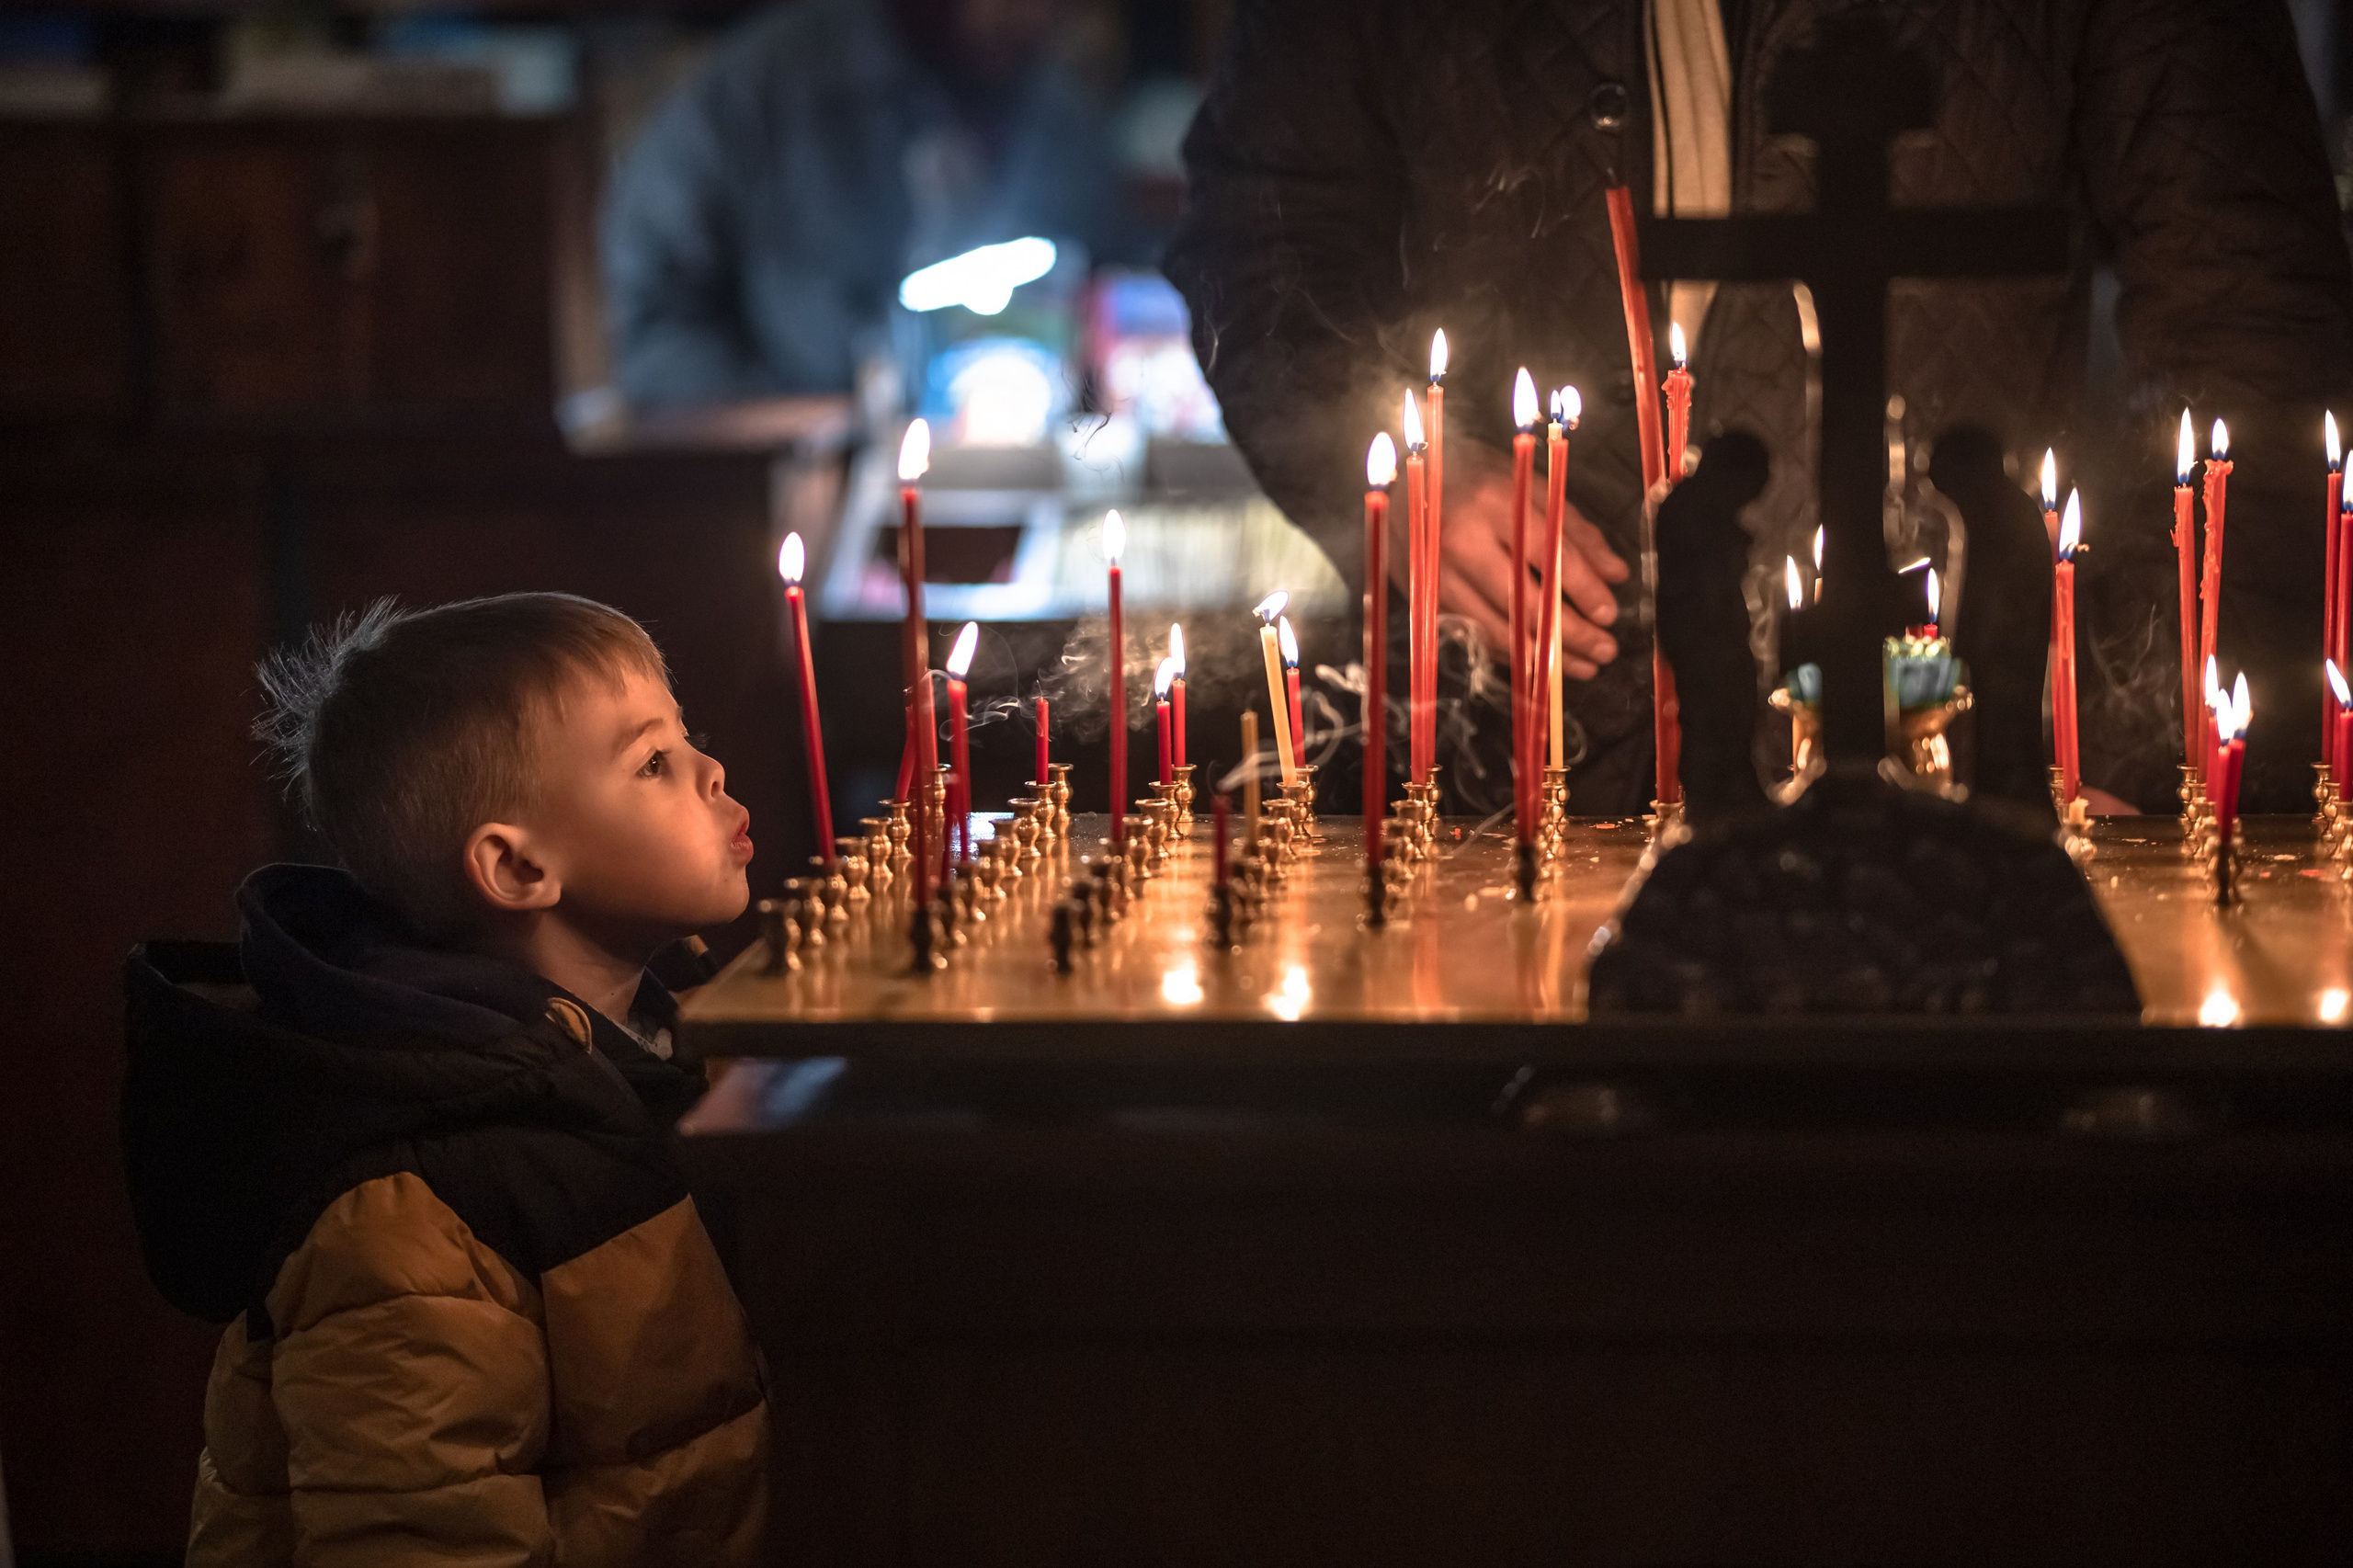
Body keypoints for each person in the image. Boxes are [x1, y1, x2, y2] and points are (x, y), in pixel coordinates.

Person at [1166, 0, 2353, 816]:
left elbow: (2254, 310)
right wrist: (1405, 464)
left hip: (1970, 721)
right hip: (1514, 733)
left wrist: (2112, 719)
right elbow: (1266, 239)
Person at [122, 594, 770, 1566]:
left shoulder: (665, 1036)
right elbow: (417, 1535)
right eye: (652, 762)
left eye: (689, 740)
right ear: (514, 867)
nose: (710, 771)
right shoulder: (410, 1208)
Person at [603, 0, 1131, 407]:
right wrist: (802, 425)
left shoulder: (1053, 105)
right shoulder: (761, 94)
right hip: (785, 482)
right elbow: (649, 323)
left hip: (1005, 465)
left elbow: (1107, 280)